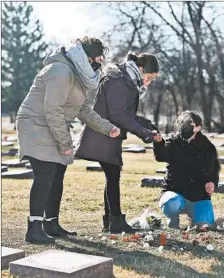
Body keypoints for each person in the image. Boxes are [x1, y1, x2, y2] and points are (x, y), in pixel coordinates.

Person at [16, 36, 121, 244]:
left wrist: (107, 128)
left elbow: (83, 110)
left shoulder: (80, 76)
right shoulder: (61, 71)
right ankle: (34, 228)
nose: (99, 63)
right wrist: (64, 144)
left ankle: (51, 224)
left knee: (57, 173)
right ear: (87, 57)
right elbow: (51, 109)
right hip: (35, 123)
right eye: (98, 59)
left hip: (51, 123)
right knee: (45, 173)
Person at [75, 52, 160, 234]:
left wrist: (148, 126)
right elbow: (118, 115)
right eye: (149, 77)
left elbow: (126, 115)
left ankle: (111, 222)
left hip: (109, 134)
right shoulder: (118, 80)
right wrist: (145, 133)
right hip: (103, 133)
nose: (149, 82)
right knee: (113, 176)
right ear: (141, 69)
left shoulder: (125, 80)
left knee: (112, 176)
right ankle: (115, 222)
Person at [153, 111, 221, 229]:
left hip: (198, 196)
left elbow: (213, 169)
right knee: (171, 203)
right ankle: (173, 223)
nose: (187, 128)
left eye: (192, 125)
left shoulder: (207, 146)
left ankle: (195, 217)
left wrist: (212, 184)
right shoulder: (174, 142)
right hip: (175, 192)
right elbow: (161, 156)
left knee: (206, 225)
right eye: (185, 124)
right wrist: (158, 143)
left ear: (198, 128)